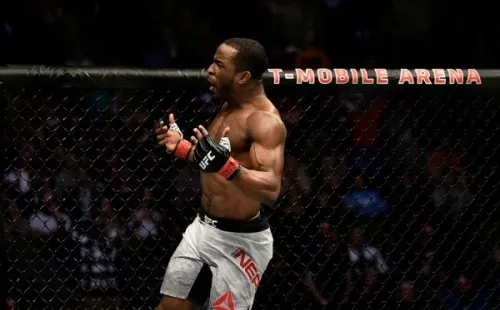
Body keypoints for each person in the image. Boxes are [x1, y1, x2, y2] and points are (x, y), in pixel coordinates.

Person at [154, 38, 286, 310]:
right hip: (202, 228)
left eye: (219, 64)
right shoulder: (228, 105)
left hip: (241, 241)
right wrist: (181, 147)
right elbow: (213, 162)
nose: (210, 70)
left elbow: (271, 189)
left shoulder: (264, 120)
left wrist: (227, 167)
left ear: (243, 76)